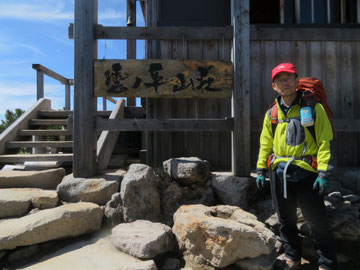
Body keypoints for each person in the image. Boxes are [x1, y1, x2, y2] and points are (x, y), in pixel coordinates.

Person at [256, 63, 338, 270]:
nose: (285, 83)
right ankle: (292, 258)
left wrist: (323, 173)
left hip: (307, 171)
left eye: (288, 78)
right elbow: (265, 143)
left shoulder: (313, 108)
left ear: (296, 80)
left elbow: (324, 141)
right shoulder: (272, 113)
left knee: (317, 220)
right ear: (274, 86)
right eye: (279, 80)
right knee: (285, 219)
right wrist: (260, 169)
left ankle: (327, 263)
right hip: (279, 172)